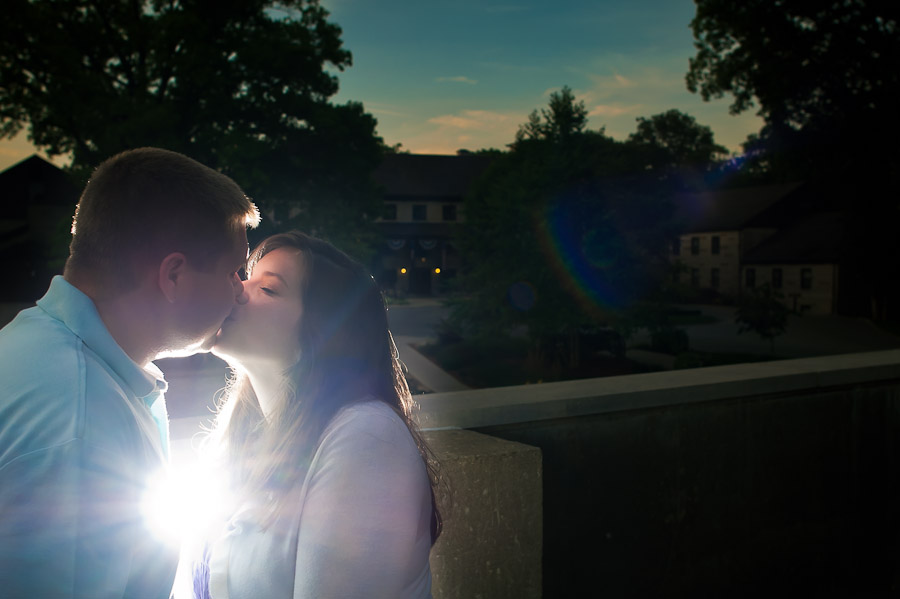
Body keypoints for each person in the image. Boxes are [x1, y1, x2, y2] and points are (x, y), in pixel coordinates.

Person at [0, 147, 260, 598]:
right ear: (174, 276)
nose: (241, 293)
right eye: (234, 271)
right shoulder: (80, 422)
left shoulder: (40, 347)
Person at [191, 231, 441, 599]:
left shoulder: (367, 439)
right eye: (248, 276)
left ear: (323, 332)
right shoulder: (240, 436)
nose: (238, 289)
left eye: (269, 288)